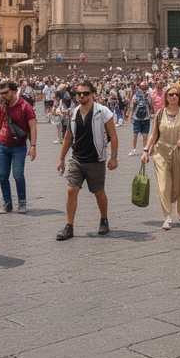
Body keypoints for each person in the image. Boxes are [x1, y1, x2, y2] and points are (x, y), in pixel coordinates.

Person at [56, 80, 119, 240]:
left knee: (98, 193)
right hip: (77, 158)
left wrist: (113, 157)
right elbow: (68, 137)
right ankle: (69, 226)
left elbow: (113, 136)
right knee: (71, 190)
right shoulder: (74, 113)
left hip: (95, 159)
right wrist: (61, 158)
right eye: (79, 94)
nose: (82, 96)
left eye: (86, 93)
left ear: (93, 94)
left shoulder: (103, 112)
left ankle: (104, 219)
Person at [143, 84, 180, 229]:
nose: (174, 97)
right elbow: (153, 134)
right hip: (161, 151)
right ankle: (167, 216)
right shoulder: (160, 113)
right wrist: (146, 150)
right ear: (166, 97)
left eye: (176, 94)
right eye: (171, 94)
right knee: (164, 184)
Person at [0, 80, 37, 215]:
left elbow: (33, 127)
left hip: (18, 146)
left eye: (6, 93)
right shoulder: (2, 107)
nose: (3, 96)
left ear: (14, 91)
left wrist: (33, 146)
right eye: (1, 93)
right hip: (3, 145)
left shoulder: (25, 106)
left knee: (18, 175)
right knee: (2, 175)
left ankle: (22, 202)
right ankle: (7, 203)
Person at [129, 87, 151, 156]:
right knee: (135, 134)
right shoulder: (135, 96)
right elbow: (132, 105)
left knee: (145, 135)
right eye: (142, 88)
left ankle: (145, 149)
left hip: (146, 117)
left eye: (145, 89)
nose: (143, 90)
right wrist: (130, 115)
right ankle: (134, 149)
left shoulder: (148, 96)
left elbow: (151, 106)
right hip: (137, 117)